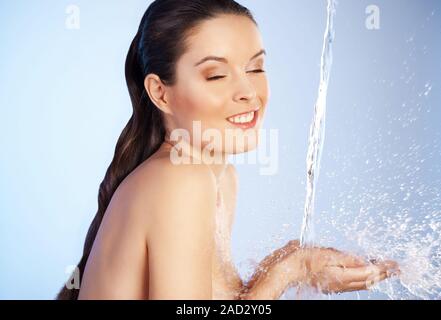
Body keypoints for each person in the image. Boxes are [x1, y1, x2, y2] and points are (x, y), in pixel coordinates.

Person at [56, 0, 400, 300]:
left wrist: (289, 259)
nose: (249, 92)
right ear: (161, 93)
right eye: (216, 75)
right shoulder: (179, 180)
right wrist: (290, 270)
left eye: (255, 68)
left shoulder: (219, 177)